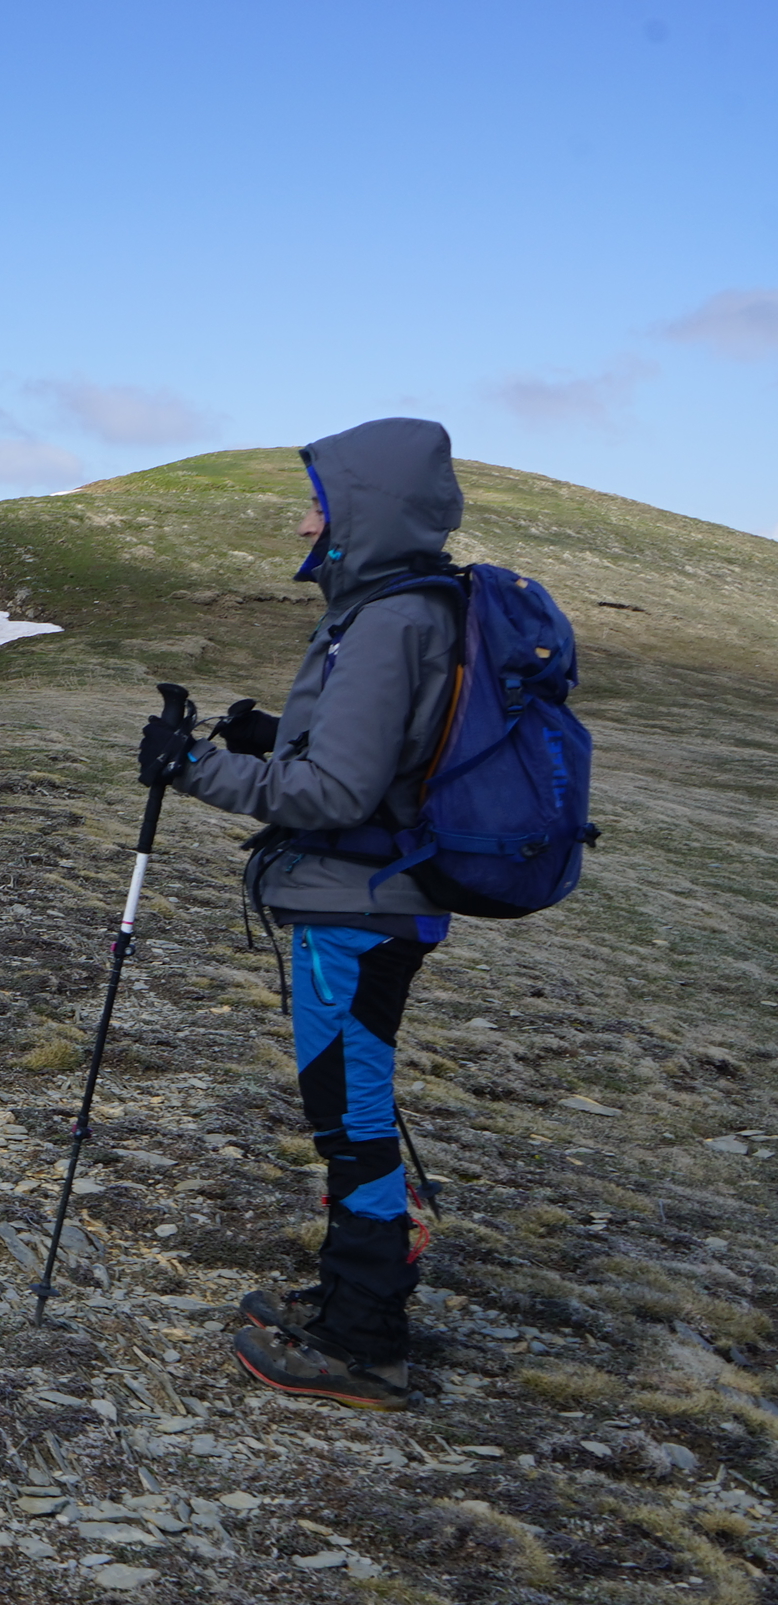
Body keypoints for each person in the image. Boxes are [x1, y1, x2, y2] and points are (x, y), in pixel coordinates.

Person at [142, 418, 466, 1411]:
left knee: (351, 1117)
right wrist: (270, 737)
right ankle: (346, 1295)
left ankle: (364, 1342)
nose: (303, 523)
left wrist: (193, 768)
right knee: (349, 1108)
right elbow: (383, 759)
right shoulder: (414, 609)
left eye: (319, 506)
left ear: (363, 512)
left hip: (359, 910)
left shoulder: (388, 623)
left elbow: (334, 794)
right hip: (374, 899)